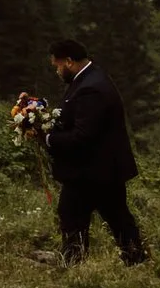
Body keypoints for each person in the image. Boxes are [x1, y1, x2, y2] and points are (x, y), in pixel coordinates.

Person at [44, 31, 147, 264]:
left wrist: (49, 139)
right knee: (114, 216)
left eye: (57, 66)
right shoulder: (90, 79)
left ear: (69, 61)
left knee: (76, 215)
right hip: (100, 169)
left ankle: (75, 262)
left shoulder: (91, 88)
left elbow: (83, 135)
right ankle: (134, 259)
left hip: (93, 171)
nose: (57, 71)